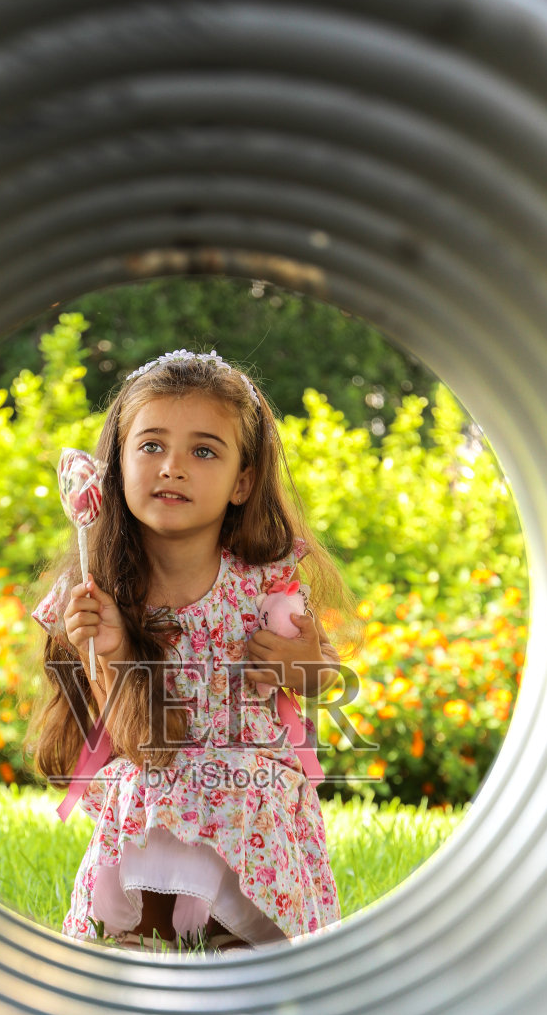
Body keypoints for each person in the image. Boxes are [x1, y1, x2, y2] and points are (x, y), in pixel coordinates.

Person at [24, 348, 360, 952]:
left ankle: (235, 968)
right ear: (113, 470)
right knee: (153, 797)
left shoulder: (264, 583)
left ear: (244, 481)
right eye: (150, 446)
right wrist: (110, 646)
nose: (172, 466)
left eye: (203, 451)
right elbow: (134, 738)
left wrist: (305, 667)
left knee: (234, 800)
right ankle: (147, 958)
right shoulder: (98, 592)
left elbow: (323, 678)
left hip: (249, 796)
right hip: (153, 773)